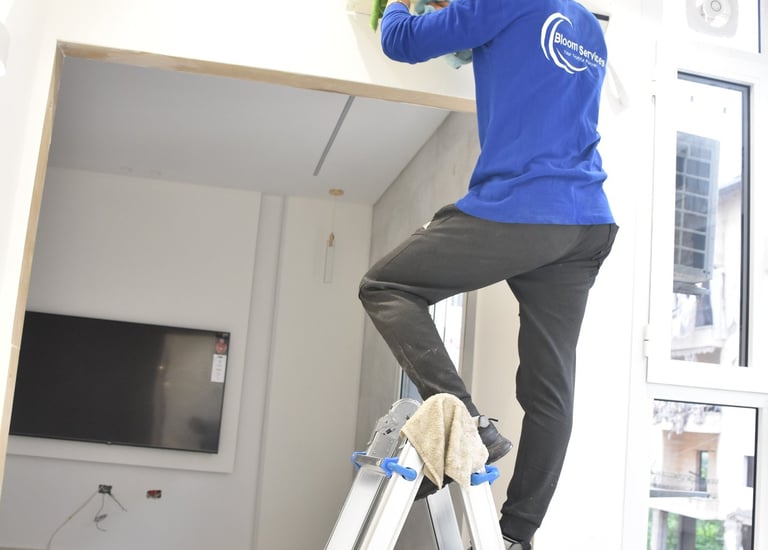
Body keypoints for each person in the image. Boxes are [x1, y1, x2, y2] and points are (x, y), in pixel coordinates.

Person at [358, 0, 618, 548]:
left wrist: (400, 5)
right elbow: (522, 64)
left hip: (523, 207)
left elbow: (401, 41)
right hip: (586, 223)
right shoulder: (589, 27)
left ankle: (470, 426)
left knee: (385, 285)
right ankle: (517, 535)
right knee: (550, 391)